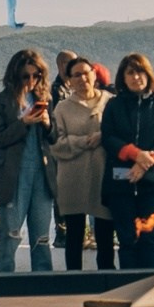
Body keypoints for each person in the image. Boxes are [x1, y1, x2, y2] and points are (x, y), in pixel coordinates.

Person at [99, 54, 154, 266]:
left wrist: (146, 161)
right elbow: (108, 137)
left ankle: (148, 286)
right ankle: (128, 287)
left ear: (148, 74)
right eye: (130, 72)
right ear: (123, 77)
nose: (136, 77)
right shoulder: (113, 104)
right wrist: (134, 154)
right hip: (120, 183)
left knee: (149, 239)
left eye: (140, 72)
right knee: (127, 238)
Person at [0, 48, 58, 273]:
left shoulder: (45, 99)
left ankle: (42, 279)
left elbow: (55, 137)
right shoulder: (0, 101)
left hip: (42, 174)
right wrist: (24, 122)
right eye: (25, 76)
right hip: (13, 175)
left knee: (42, 235)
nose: (31, 80)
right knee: (10, 233)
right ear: (15, 75)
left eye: (36, 75)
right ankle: (5, 279)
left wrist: (46, 123)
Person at [49, 55, 114, 269]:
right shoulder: (62, 108)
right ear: (69, 80)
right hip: (72, 179)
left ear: (94, 74)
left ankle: (105, 280)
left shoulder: (110, 102)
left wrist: (104, 136)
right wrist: (84, 141)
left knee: (105, 237)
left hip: (103, 176)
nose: (82, 78)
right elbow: (56, 145)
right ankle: (73, 281)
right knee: (74, 237)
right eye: (76, 75)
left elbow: (120, 134)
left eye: (86, 73)